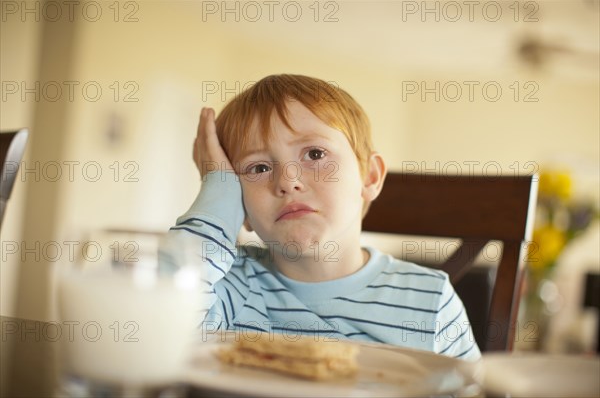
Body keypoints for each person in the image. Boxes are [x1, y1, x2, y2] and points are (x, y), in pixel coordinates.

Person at [167, 74, 481, 360]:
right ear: (240, 206)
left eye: (315, 154)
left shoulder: (429, 299)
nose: (287, 181)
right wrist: (218, 189)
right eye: (258, 168)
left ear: (369, 177)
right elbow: (155, 323)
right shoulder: (228, 285)